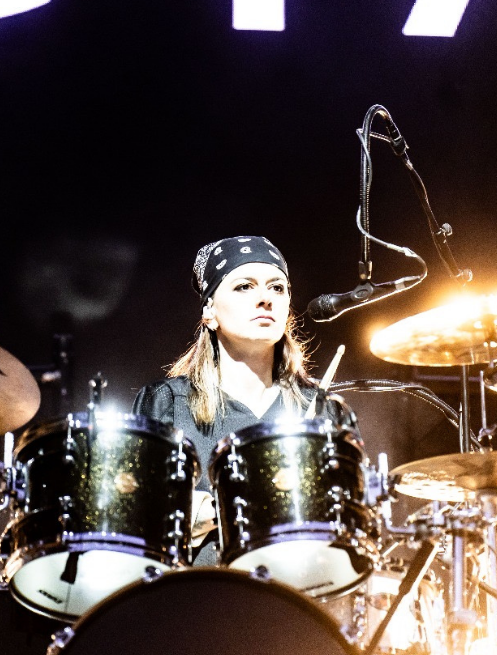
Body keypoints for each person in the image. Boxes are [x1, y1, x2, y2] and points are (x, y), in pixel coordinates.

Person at [132, 235, 353, 565]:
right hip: (193, 591)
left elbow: (352, 524)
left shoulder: (325, 410)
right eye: (244, 287)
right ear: (209, 312)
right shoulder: (167, 403)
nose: (265, 298)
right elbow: (133, 513)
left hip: (297, 590)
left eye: (277, 288)